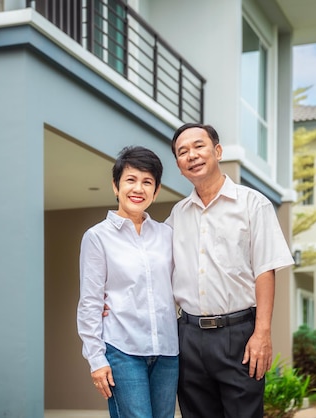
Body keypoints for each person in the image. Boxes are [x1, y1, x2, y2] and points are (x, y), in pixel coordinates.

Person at [167, 123, 295, 418]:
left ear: (218, 151)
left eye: (199, 146)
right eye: (183, 152)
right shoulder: (178, 215)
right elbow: (153, 265)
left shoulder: (253, 204)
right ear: (179, 164)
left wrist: (262, 332)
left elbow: (265, 270)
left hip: (238, 335)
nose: (192, 155)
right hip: (187, 336)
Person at [77, 145, 179, 418]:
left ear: (156, 191)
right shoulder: (97, 237)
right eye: (131, 180)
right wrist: (96, 359)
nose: (138, 189)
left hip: (167, 352)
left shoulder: (166, 235)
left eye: (147, 182)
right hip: (122, 350)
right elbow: (90, 302)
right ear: (116, 186)